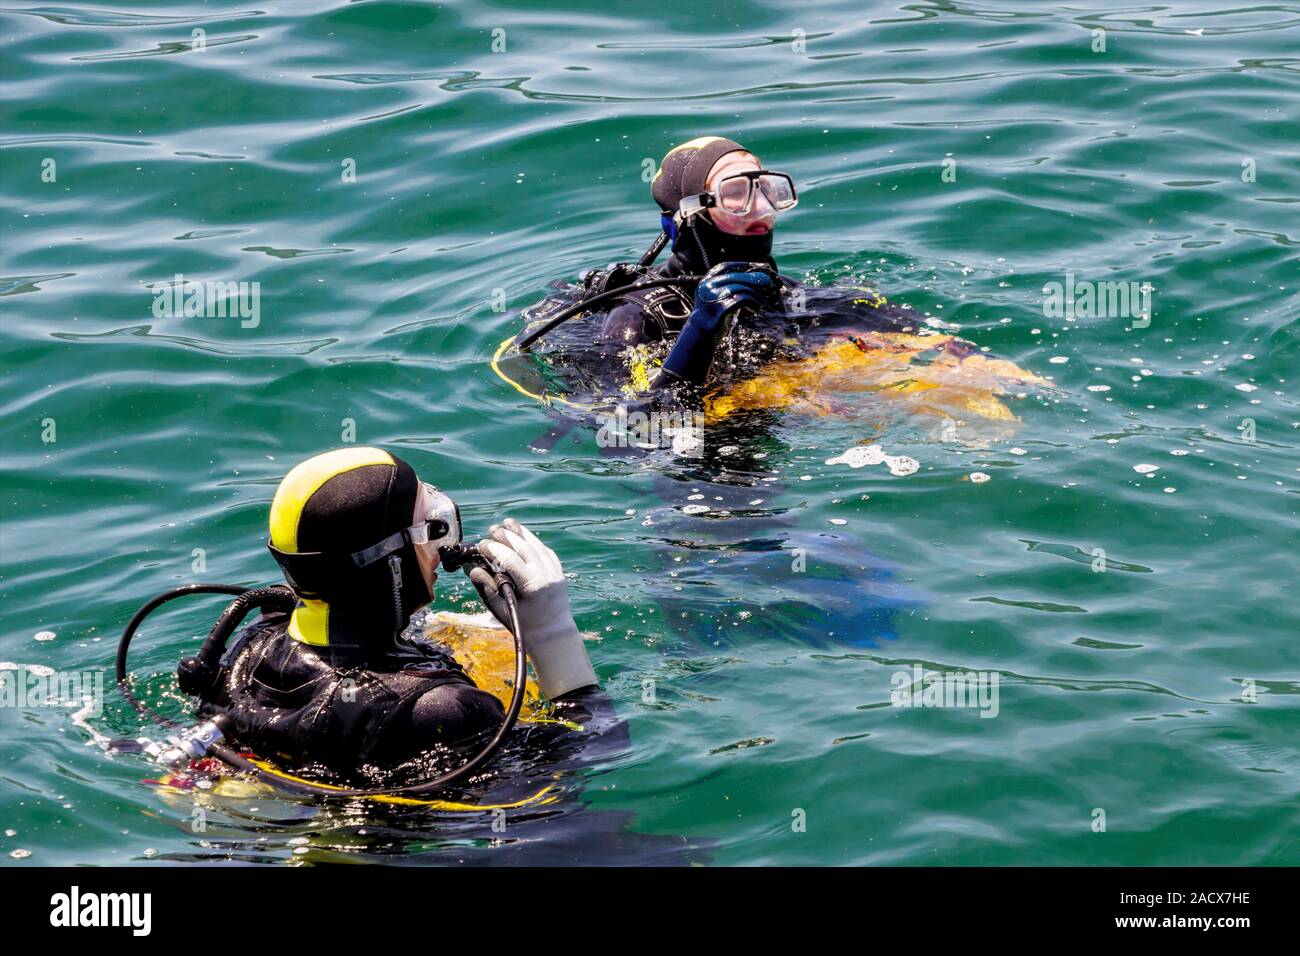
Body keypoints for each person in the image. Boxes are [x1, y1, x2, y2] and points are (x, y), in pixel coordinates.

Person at [196, 446, 599, 772]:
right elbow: (575, 780)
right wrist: (552, 636)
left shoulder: (253, 647)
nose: (441, 553)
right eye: (431, 532)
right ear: (391, 561)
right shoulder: (443, 711)